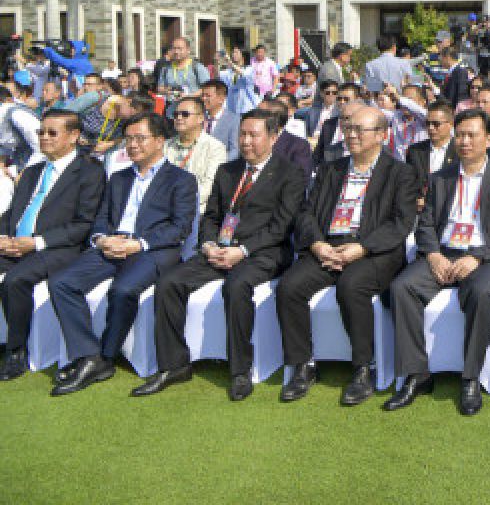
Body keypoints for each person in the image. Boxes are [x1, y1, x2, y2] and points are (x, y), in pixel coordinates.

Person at [134, 109, 307, 400]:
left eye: (254, 135)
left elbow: (282, 227)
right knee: (169, 283)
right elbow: (211, 215)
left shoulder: (289, 174)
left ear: (274, 138)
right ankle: (173, 364)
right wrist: (208, 244)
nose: (246, 141)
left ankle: (240, 370)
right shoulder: (228, 171)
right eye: (242, 134)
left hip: (265, 251)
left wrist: (243, 251)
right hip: (221, 248)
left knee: (237, 285)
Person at [386, 109, 490, 416]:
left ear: (488, 140)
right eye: (460, 135)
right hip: (444, 252)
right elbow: (424, 223)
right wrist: (433, 254)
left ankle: (471, 377)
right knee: (401, 287)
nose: (464, 141)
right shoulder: (440, 179)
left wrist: (476, 257)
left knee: (480, 293)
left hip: (484, 254)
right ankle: (417, 375)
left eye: (472, 135)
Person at [277, 106, 419, 405]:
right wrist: (316, 244)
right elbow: (305, 212)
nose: (350, 135)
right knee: (290, 287)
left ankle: (362, 368)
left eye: (359, 130)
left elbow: (400, 223)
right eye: (348, 128)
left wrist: (362, 247)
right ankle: (303, 365)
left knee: (351, 285)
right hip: (328, 246)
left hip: (374, 252)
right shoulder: (332, 169)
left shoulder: (400, 173)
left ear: (382, 135)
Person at [47, 113, 198, 395]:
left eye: (140, 138)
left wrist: (138, 244)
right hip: (111, 246)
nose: (132, 145)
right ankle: (88, 355)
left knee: (123, 290)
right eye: (128, 139)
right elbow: (101, 218)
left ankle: (105, 356)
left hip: (151, 250)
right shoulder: (117, 178)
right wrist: (103, 239)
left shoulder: (181, 180)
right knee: (61, 283)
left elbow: (179, 228)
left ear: (159, 141)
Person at [0, 111, 105, 380]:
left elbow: (84, 224)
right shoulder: (34, 171)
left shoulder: (90, 172)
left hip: (59, 249)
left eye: (51, 133)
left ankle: (16, 351)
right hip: (15, 242)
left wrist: (35, 242)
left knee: (15, 280)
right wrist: (3, 236)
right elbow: (13, 212)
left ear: (73, 137)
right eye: (41, 132)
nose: (44, 138)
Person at [164, 95, 227, 205]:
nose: (179, 118)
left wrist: (177, 202)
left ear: (201, 118)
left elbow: (208, 189)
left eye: (185, 114)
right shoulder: (166, 146)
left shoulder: (214, 148)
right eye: (176, 114)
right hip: (164, 207)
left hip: (196, 211)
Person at [406, 99, 457, 198]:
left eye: (436, 124)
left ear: (450, 124)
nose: (431, 128)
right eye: (428, 123)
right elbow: (408, 183)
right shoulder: (415, 151)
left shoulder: (459, 151)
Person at [313, 84, 361, 166]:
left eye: (346, 99)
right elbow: (318, 154)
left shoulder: (364, 124)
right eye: (339, 99)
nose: (342, 102)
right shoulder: (328, 124)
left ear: (358, 100)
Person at [200, 79, 240, 159]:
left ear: (221, 99)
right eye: (203, 95)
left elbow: (235, 150)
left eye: (208, 96)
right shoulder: (198, 117)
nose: (203, 98)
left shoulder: (234, 120)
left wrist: (218, 164)